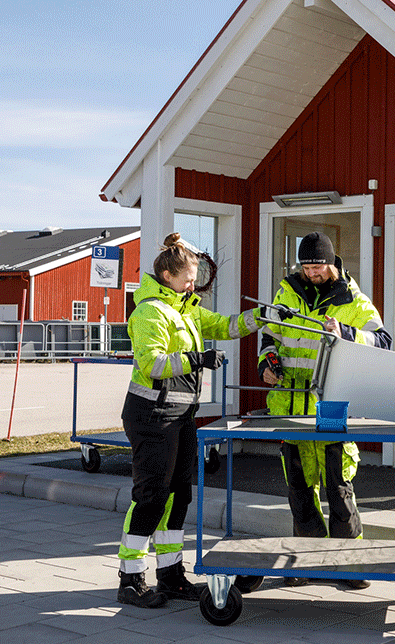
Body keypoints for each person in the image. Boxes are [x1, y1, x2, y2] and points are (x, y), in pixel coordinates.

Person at [117, 233, 266, 608]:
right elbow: (150, 363)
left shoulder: (186, 308)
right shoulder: (150, 311)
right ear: (167, 275)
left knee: (179, 494)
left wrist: (263, 316)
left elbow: (227, 326)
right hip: (151, 415)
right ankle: (130, 579)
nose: (193, 284)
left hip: (181, 415)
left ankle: (170, 575)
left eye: (195, 278)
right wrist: (196, 359)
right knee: (151, 497)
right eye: (187, 278)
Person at [258, 231, 392, 589]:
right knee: (299, 490)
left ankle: (349, 565)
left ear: (332, 264)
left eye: (318, 266)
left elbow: (383, 340)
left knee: (339, 488)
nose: (312, 272)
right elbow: (269, 335)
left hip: (333, 407)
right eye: (307, 266)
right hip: (289, 407)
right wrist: (267, 362)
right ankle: (306, 561)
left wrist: (347, 332)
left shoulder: (353, 298)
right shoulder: (286, 292)